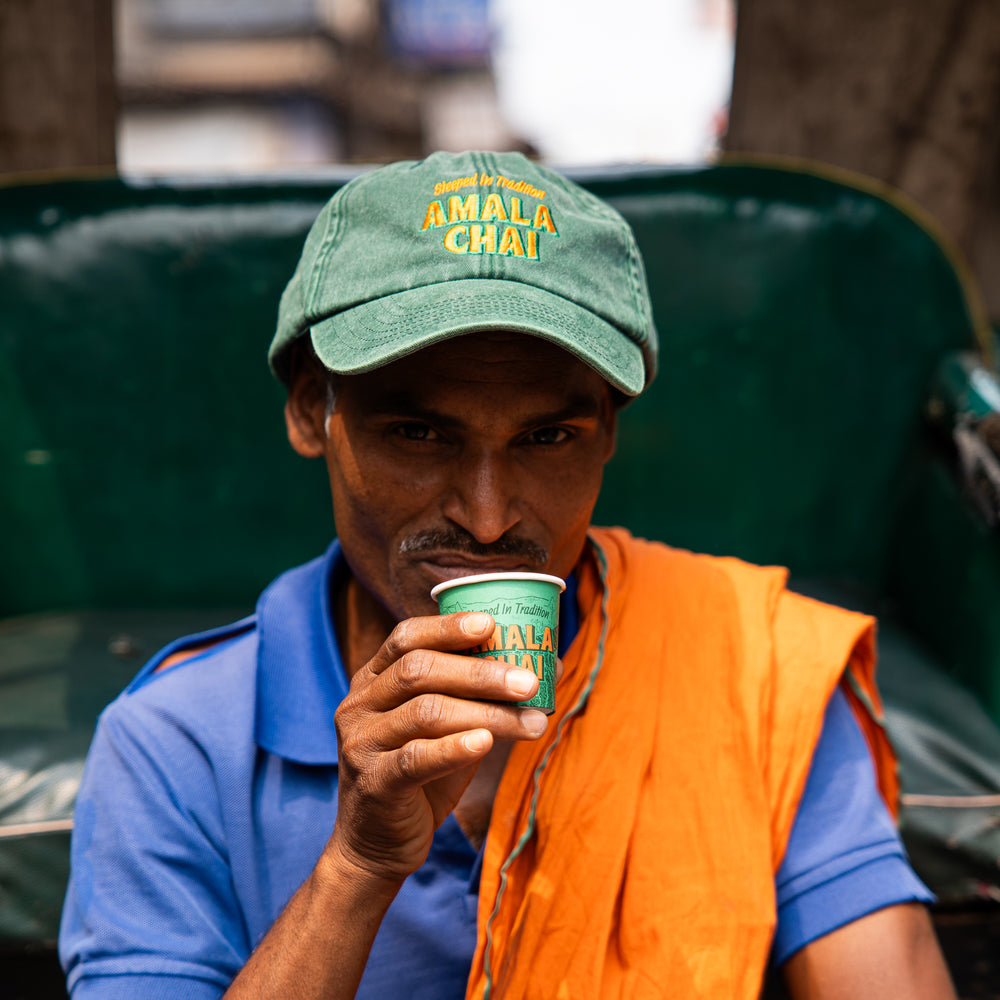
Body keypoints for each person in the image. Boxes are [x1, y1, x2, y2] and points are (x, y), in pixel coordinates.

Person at [59, 150, 956, 1000]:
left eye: (546, 439)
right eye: (419, 434)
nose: (488, 520)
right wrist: (357, 868)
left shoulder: (746, 672)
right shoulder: (175, 745)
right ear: (310, 409)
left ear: (607, 432)